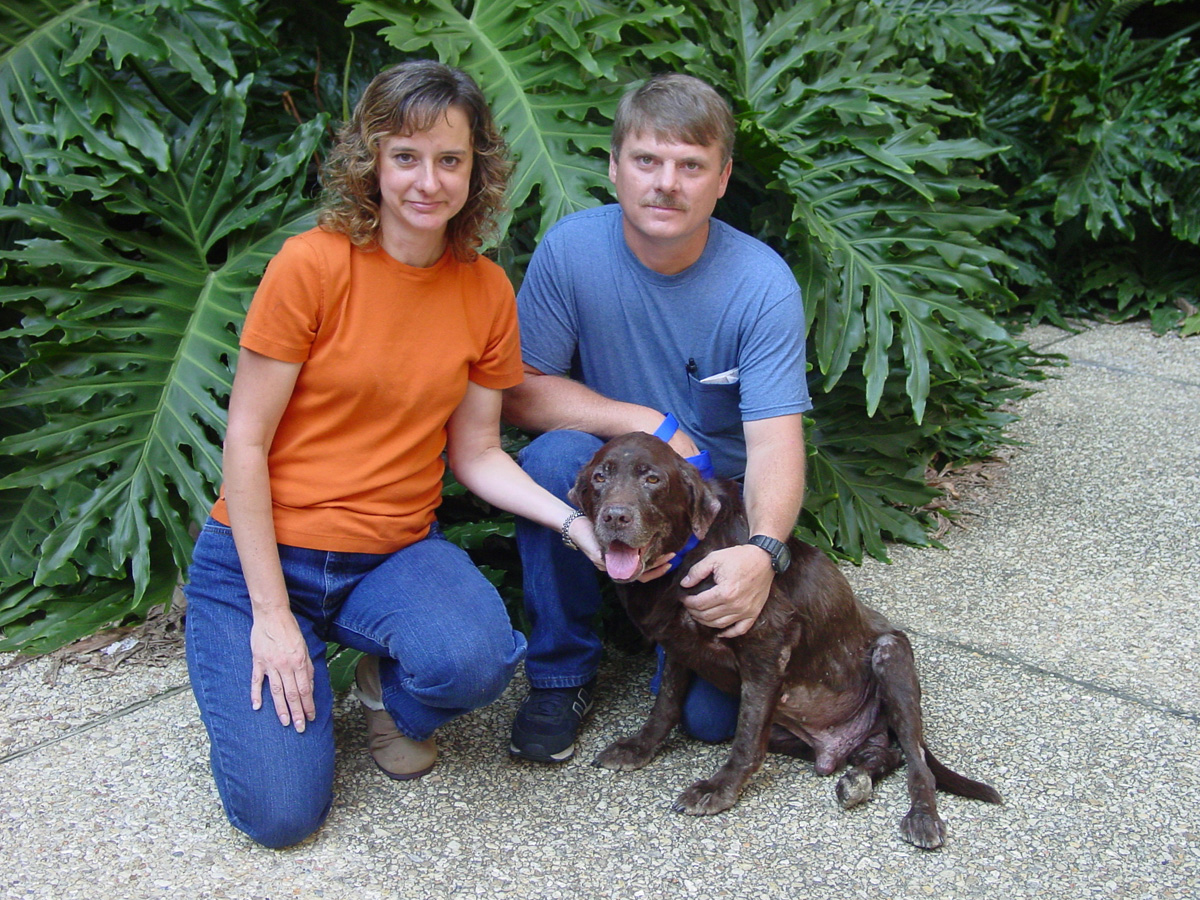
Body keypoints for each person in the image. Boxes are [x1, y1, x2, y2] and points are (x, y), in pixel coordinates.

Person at [184, 60, 601, 849]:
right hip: (259, 561)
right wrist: (271, 618)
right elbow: (245, 441)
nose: (427, 180)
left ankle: (382, 692)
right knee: (281, 816)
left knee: (477, 658)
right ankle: (266, 657)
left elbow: (476, 454)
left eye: (450, 159)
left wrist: (574, 524)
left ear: (476, 169)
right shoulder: (312, 265)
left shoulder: (484, 292)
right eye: (405, 156)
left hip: (389, 555)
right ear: (371, 159)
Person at [503, 73, 811, 764]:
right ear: (614, 167)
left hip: (708, 513)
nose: (665, 183)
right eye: (647, 160)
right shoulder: (572, 251)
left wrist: (762, 554)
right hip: (611, 483)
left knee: (707, 721)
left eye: (691, 165)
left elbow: (775, 447)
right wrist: (647, 418)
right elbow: (518, 392)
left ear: (723, 177)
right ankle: (561, 675)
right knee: (554, 459)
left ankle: (672, 645)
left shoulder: (761, 285)